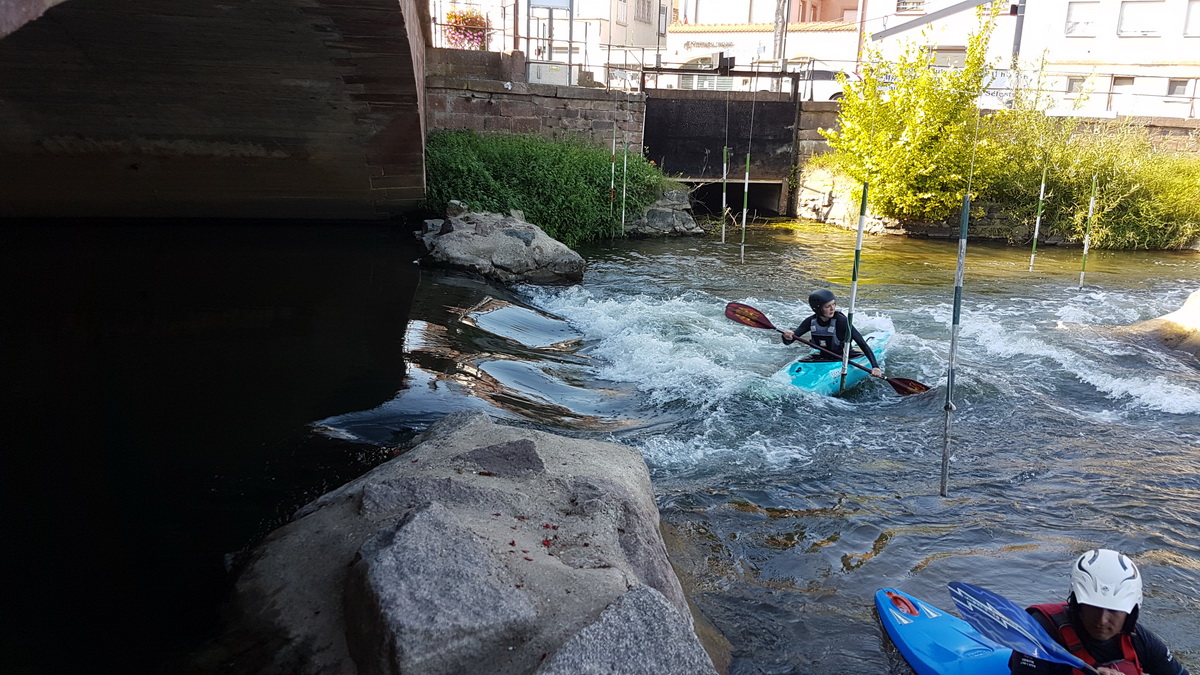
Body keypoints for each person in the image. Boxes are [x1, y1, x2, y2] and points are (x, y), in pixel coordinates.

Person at [1009, 549, 1190, 675]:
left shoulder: (1140, 641)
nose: (1102, 620)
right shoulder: (1040, 630)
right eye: (1093, 607)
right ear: (1077, 604)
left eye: (1113, 610)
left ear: (1130, 612)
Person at [780, 289, 883, 378]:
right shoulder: (811, 321)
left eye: (833, 304)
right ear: (818, 309)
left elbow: (862, 343)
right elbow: (788, 342)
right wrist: (786, 336)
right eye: (827, 306)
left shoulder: (841, 321)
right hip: (823, 357)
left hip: (844, 357)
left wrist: (875, 366)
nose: (832, 308)